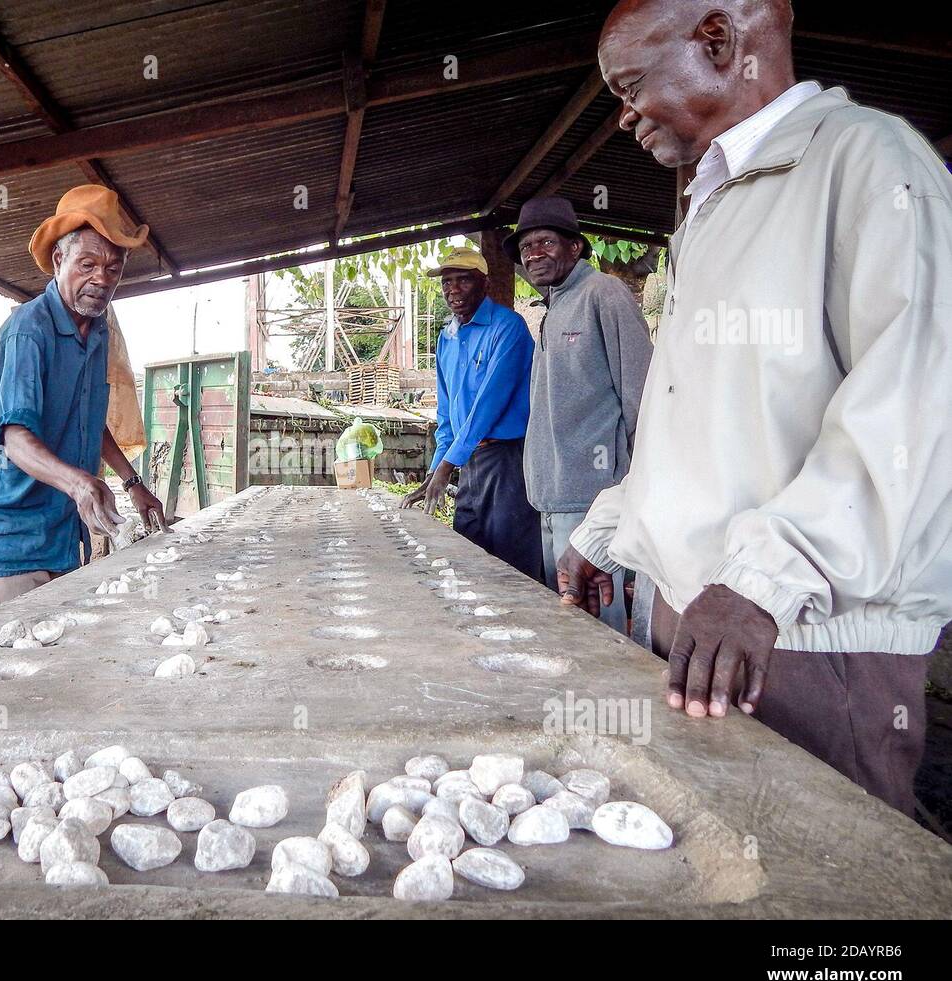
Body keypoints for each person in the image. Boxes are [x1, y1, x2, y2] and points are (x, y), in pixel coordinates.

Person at [559, 0, 952, 815]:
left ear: (718, 40)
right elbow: (702, 414)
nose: (624, 114)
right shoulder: (711, 204)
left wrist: (764, 580)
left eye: (630, 85)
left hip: (805, 642)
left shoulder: (871, 162)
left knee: (835, 897)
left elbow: (917, 403)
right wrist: (609, 528)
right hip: (707, 625)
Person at [0, 184, 169, 621]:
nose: (101, 279)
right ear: (58, 261)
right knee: (9, 671)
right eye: (87, 264)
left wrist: (131, 481)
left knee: (53, 669)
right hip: (2, 535)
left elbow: (86, 419)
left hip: (56, 530)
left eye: (114, 267)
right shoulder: (28, 331)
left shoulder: (97, 331)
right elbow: (14, 438)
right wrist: (81, 485)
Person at [503, 196, 653, 633]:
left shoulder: (603, 294)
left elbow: (641, 395)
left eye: (546, 241)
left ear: (575, 248)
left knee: (596, 628)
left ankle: (610, 703)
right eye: (527, 246)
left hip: (593, 500)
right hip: (550, 498)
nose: (534, 254)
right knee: (568, 623)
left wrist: (635, 486)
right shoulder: (552, 308)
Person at [402, 248, 542, 581]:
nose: (453, 290)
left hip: (508, 461)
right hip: (470, 462)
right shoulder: (446, 339)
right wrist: (436, 469)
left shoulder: (508, 328)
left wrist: (447, 466)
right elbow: (448, 416)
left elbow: (487, 406)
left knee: (512, 564)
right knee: (467, 555)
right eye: (447, 282)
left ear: (484, 284)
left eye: (463, 281)